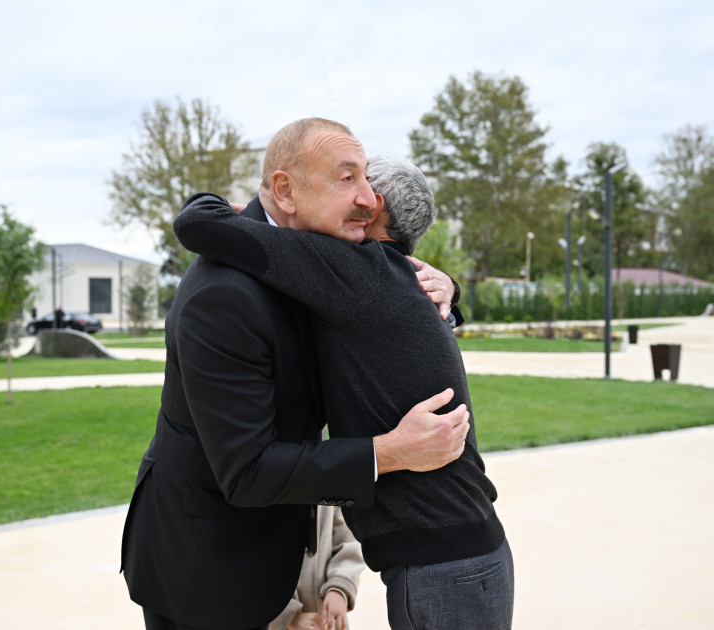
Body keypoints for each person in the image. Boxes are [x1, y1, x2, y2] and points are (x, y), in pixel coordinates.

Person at [120, 117, 472, 630]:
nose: (370, 200)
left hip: (263, 557)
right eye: (346, 178)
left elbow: (385, 310)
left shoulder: (307, 261)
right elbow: (247, 470)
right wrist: (389, 452)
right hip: (206, 571)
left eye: (367, 180)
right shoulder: (224, 296)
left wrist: (449, 294)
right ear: (285, 190)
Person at [269, 504, 365, 630]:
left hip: (326, 621)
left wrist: (339, 588)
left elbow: (348, 539)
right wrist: (287, 615)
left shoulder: (333, 486)